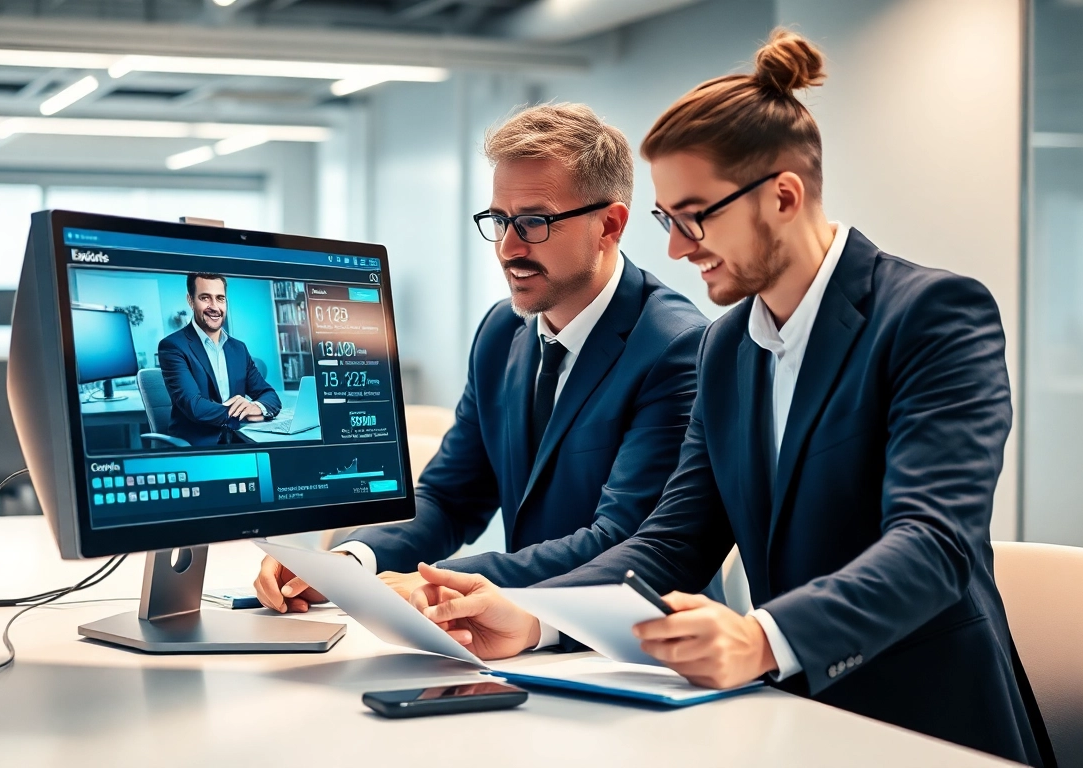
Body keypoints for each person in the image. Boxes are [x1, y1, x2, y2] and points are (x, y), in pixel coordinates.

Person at [408, 30, 1053, 768]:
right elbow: (673, 541)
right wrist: (534, 615)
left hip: (925, 723)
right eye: (667, 221)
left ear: (783, 195)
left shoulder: (930, 314)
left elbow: (933, 545)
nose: (678, 250)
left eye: (695, 216)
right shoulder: (727, 347)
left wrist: (761, 636)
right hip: (780, 714)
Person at [255, 104, 708, 612]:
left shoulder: (675, 347)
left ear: (609, 225)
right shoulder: (502, 332)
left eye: (533, 222)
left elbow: (620, 540)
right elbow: (449, 498)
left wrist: (436, 582)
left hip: (633, 641)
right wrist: (353, 561)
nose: (508, 248)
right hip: (521, 635)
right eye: (499, 220)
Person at [158, 272, 283, 446]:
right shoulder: (173, 346)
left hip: (241, 441)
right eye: (205, 298)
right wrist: (242, 413)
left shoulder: (239, 348)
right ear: (190, 300)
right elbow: (195, 407)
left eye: (220, 298)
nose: (214, 306)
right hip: (199, 445)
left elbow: (270, 396)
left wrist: (257, 407)